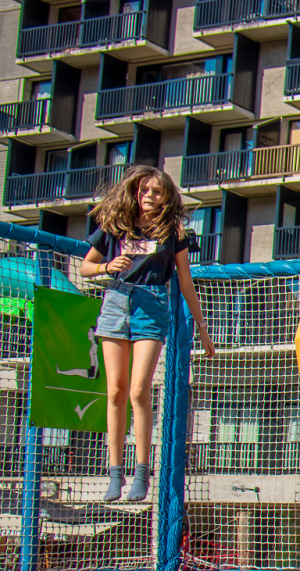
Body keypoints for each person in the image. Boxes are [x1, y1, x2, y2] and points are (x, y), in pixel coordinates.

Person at [80, 165, 216, 502]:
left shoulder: (172, 232)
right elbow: (85, 267)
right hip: (115, 300)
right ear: (134, 193)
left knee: (139, 390)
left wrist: (201, 327)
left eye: (156, 191)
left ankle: (141, 472)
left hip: (151, 306)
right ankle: (115, 474)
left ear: (167, 196)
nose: (149, 197)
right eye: (144, 191)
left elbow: (184, 281)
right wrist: (105, 267)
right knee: (115, 391)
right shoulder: (115, 226)